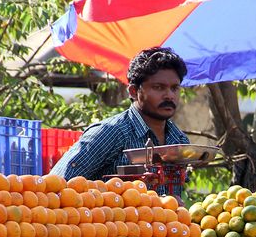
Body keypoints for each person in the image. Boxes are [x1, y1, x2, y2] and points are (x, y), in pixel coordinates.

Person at [51, 47, 190, 197]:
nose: (169, 95)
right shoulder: (110, 133)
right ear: (133, 92)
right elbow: (56, 186)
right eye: (158, 87)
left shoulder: (179, 140)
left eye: (175, 88)